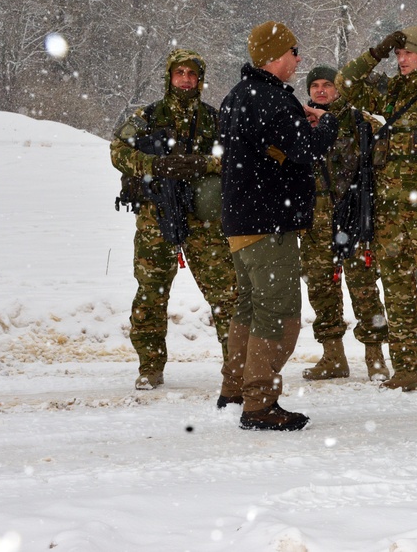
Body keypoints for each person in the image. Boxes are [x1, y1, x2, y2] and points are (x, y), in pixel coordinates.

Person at [337, 26, 417, 403]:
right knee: (397, 296)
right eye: (397, 55)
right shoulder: (390, 92)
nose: (401, 60)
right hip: (389, 218)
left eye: (407, 53)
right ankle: (409, 370)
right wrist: (375, 51)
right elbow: (345, 83)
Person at [218, 21, 339, 431]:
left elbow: (268, 147)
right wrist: (327, 124)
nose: (298, 59)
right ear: (274, 56)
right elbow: (304, 152)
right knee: (278, 313)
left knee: (248, 306)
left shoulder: (237, 97)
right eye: (293, 52)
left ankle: (234, 387)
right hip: (269, 223)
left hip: (240, 221)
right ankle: (259, 404)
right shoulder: (270, 100)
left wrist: (295, 121)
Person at [110, 48, 237, 391]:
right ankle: (150, 366)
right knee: (151, 293)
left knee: (227, 294)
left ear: (200, 79)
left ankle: (236, 366)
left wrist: (203, 164)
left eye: (192, 74)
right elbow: (118, 151)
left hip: (203, 219)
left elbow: (235, 157)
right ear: (170, 77)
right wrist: (155, 166)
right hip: (157, 214)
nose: (185, 79)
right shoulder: (148, 115)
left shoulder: (214, 118)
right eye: (180, 73)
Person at [299, 65, 390, 382]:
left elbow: (383, 165)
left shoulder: (359, 122)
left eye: (327, 85)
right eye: (315, 86)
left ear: (338, 89)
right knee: (321, 291)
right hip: (314, 222)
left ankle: (375, 357)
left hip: (352, 216)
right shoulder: (299, 124)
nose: (321, 91)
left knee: (365, 290)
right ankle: (333, 357)